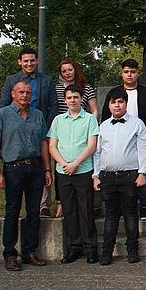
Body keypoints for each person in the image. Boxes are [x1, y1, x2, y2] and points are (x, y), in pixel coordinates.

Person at [0, 81, 52, 271]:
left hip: (35, 168)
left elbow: (43, 143)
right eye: (21, 92)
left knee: (34, 211)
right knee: (13, 211)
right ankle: (10, 254)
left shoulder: (37, 115)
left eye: (27, 92)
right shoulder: (2, 115)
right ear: (13, 94)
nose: (25, 95)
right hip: (13, 168)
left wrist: (47, 169)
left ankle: (30, 251)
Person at [93, 87, 146, 265]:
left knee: (130, 214)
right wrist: (96, 175)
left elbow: (144, 149)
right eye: (113, 102)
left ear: (126, 104)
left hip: (130, 176)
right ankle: (106, 252)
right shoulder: (103, 126)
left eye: (120, 102)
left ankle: (132, 250)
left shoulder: (137, 124)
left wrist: (143, 172)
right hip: (108, 177)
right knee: (111, 216)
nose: (117, 105)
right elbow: (97, 153)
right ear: (109, 105)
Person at [0, 47, 57, 217]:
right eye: (26, 61)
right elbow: (3, 104)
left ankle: (44, 204)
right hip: (18, 131)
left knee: (44, 166)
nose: (29, 63)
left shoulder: (47, 80)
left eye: (32, 60)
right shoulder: (11, 80)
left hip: (40, 128)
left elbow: (53, 104)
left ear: (37, 61)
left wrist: (46, 127)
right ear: (20, 62)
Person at [101, 59, 146, 220]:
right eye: (126, 72)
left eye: (133, 72)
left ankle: (145, 206)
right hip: (119, 138)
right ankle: (120, 207)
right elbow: (105, 117)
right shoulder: (114, 93)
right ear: (122, 73)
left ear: (137, 73)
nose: (129, 75)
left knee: (143, 170)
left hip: (141, 136)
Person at [47, 84, 99, 264]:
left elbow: (92, 145)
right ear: (65, 100)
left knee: (86, 210)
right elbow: (52, 145)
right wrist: (64, 164)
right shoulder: (58, 120)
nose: (73, 100)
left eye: (76, 97)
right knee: (69, 210)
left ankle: (90, 248)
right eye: (69, 98)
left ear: (81, 98)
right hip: (64, 172)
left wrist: (76, 163)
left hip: (83, 170)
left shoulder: (90, 119)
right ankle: (74, 248)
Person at [53, 58, 99, 217]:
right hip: (62, 129)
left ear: (75, 69)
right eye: (63, 71)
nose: (67, 73)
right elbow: (52, 145)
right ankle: (60, 204)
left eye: (70, 69)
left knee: (85, 206)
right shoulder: (57, 88)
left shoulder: (86, 87)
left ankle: (88, 241)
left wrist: (88, 123)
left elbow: (94, 110)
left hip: (83, 127)